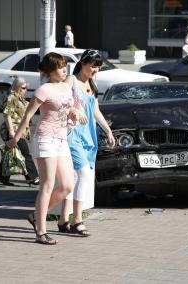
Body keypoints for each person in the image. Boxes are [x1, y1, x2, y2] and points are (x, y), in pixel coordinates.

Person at [7, 52, 86, 245]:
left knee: (67, 185)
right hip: (45, 139)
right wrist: (15, 139)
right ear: (50, 71)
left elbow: (68, 105)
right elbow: (27, 116)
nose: (64, 69)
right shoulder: (43, 90)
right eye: (60, 67)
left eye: (64, 65)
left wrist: (74, 111)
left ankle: (35, 216)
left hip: (61, 140)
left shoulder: (66, 87)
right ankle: (40, 231)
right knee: (47, 184)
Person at [57, 49, 115, 236]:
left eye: (98, 66)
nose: (95, 69)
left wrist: (107, 130)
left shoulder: (92, 83)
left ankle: (63, 219)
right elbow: (60, 100)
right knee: (84, 175)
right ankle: (77, 220)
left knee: (73, 178)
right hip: (72, 134)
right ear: (83, 63)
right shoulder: (71, 81)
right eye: (93, 65)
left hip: (87, 136)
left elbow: (95, 110)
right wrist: (74, 109)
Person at [0, 77, 39, 186]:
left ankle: (2, 178)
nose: (26, 90)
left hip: (20, 131)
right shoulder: (12, 97)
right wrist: (11, 132)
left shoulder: (21, 99)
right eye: (24, 88)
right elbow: (7, 114)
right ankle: (33, 177)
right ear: (18, 87)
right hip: (13, 131)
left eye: (26, 88)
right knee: (25, 153)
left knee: (9, 153)